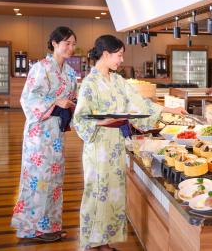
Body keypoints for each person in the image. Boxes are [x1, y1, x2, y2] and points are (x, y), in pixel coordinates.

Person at [73, 35, 186, 251]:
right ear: (106, 55)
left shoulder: (117, 80)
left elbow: (139, 103)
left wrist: (169, 109)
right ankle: (90, 242)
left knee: (113, 191)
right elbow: (80, 118)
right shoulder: (89, 83)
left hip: (115, 144)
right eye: (119, 55)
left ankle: (104, 241)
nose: (121, 60)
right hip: (98, 145)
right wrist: (101, 122)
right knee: (96, 190)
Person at [11, 26, 78, 242]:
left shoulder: (69, 72)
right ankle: (31, 228)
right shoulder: (40, 68)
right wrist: (55, 102)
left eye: (73, 43)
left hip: (56, 133)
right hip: (39, 133)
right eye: (67, 43)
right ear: (54, 44)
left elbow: (73, 98)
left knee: (54, 180)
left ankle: (49, 225)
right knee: (37, 179)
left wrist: (72, 105)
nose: (71, 47)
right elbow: (27, 99)